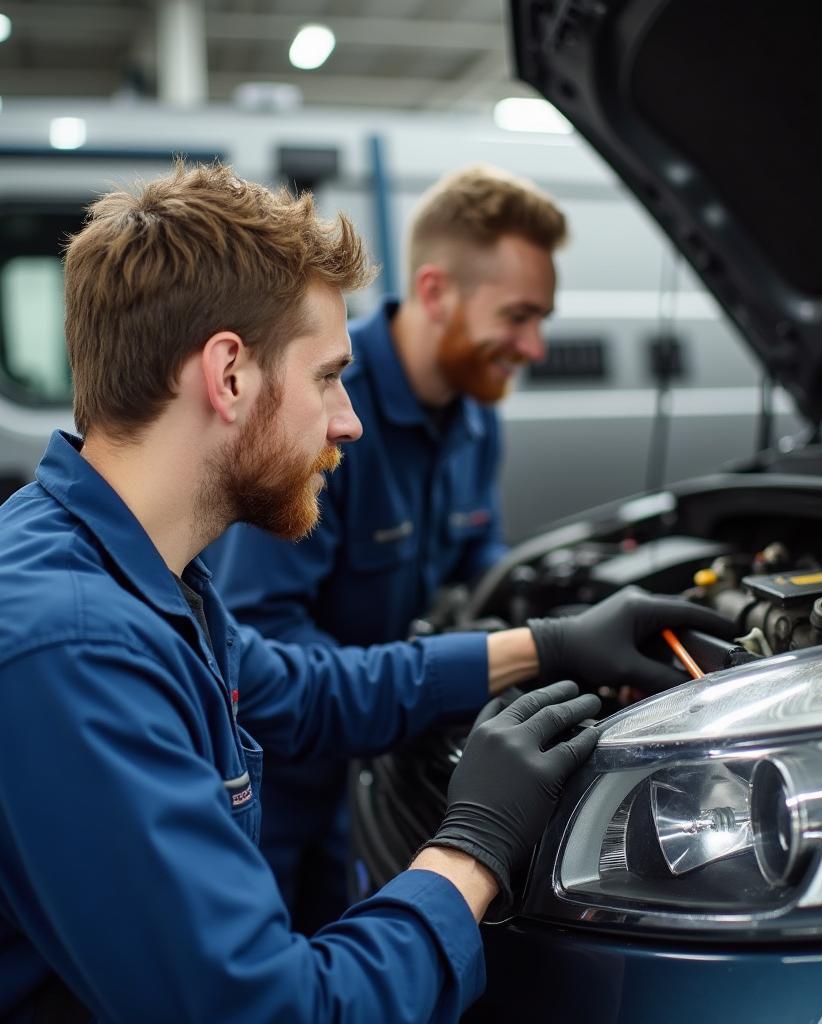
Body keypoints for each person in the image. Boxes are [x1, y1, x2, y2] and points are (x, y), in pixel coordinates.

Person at [0, 162, 732, 1022]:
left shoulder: (115, 564)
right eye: (328, 376)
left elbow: (303, 693)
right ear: (228, 375)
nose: (349, 420)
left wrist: (549, 646)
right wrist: (470, 851)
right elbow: (278, 1010)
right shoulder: (68, 655)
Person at [207, 165, 567, 929]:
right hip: (290, 790)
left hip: (393, 751)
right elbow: (265, 645)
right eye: (519, 316)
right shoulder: (318, 413)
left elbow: (478, 567)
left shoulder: (475, 414)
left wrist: (549, 629)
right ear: (436, 291)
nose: (534, 346)